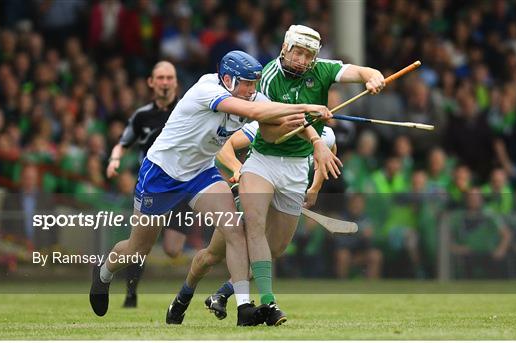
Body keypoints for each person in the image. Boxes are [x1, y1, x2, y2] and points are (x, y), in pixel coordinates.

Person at [89, 50, 333, 327]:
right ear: (228, 79)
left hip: (201, 173)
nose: (252, 90)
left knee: (234, 229)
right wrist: (306, 107)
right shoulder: (206, 89)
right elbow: (256, 113)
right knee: (138, 249)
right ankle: (104, 272)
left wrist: (315, 139)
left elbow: (275, 114)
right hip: (162, 174)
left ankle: (244, 307)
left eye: (255, 83)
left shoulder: (251, 96)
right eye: (246, 83)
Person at [171, 25, 385, 326]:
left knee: (275, 249)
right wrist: (237, 168)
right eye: (297, 52)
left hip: (295, 171)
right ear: (285, 49)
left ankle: (221, 294)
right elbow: (262, 131)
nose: (301, 59)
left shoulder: (325, 113)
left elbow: (358, 73)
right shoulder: (268, 80)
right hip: (262, 164)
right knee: (216, 252)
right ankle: (190, 296)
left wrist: (372, 76)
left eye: (308, 55)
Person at [105, 61, 188, 308]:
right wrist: (114, 160)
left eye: (169, 78)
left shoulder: (187, 109)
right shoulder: (142, 116)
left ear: (176, 82)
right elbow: (122, 142)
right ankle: (131, 293)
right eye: (160, 78)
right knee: (139, 246)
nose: (164, 82)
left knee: (173, 250)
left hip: (181, 186)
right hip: (151, 186)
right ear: (151, 82)